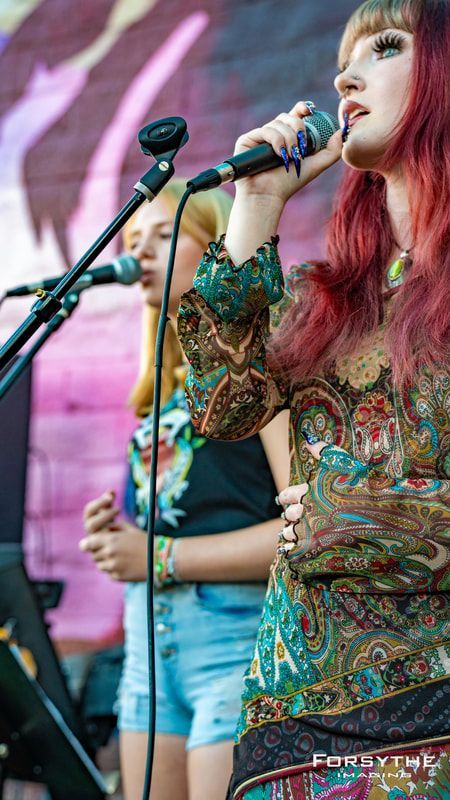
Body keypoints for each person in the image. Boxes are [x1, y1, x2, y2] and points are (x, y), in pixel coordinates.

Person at [177, 1, 450, 798]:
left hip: (429, 725)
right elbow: (221, 404)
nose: (345, 78)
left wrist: (356, 514)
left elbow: (345, 512)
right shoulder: (321, 299)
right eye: (342, 61)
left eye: (385, 46)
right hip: (287, 727)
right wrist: (258, 205)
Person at [79, 179, 290, 800]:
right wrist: (118, 536)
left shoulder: (256, 371)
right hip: (151, 644)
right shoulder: (161, 392)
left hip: (233, 637)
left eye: (163, 235)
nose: (140, 253)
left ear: (217, 243)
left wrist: (157, 556)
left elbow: (306, 526)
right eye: (133, 241)